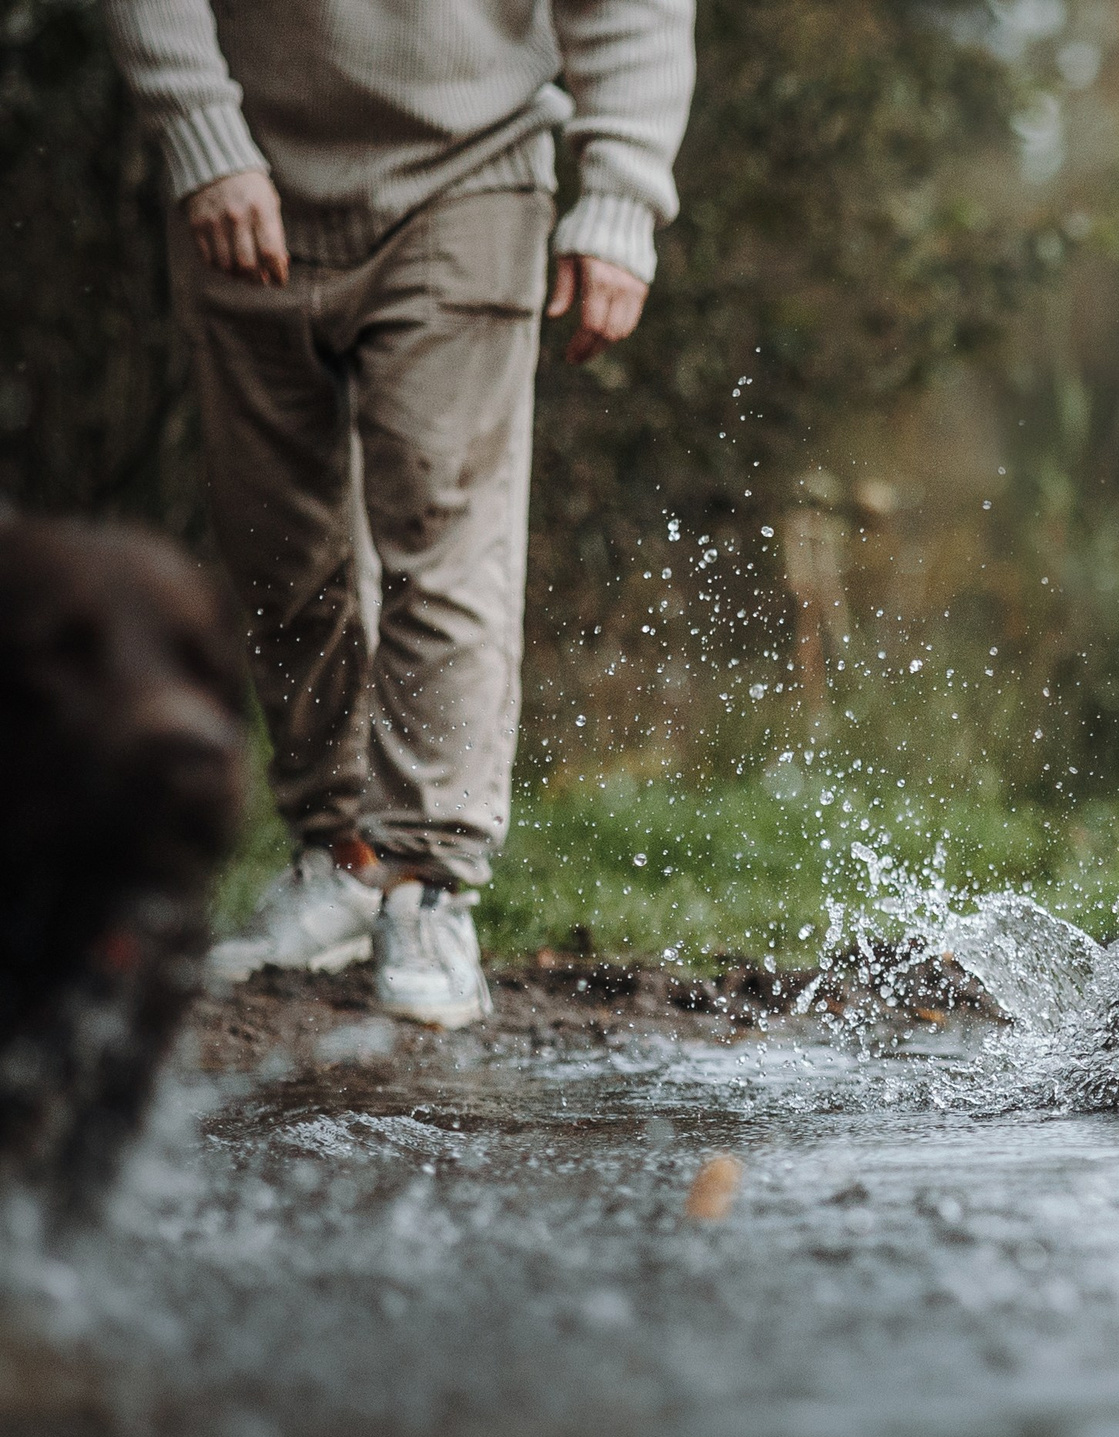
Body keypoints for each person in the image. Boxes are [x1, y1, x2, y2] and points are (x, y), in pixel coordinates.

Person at [103, 0, 695, 1026]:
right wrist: (201, 135)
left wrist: (622, 198)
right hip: (240, 174)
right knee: (277, 549)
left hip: (472, 172)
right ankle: (344, 854)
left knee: (444, 531)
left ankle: (423, 881)